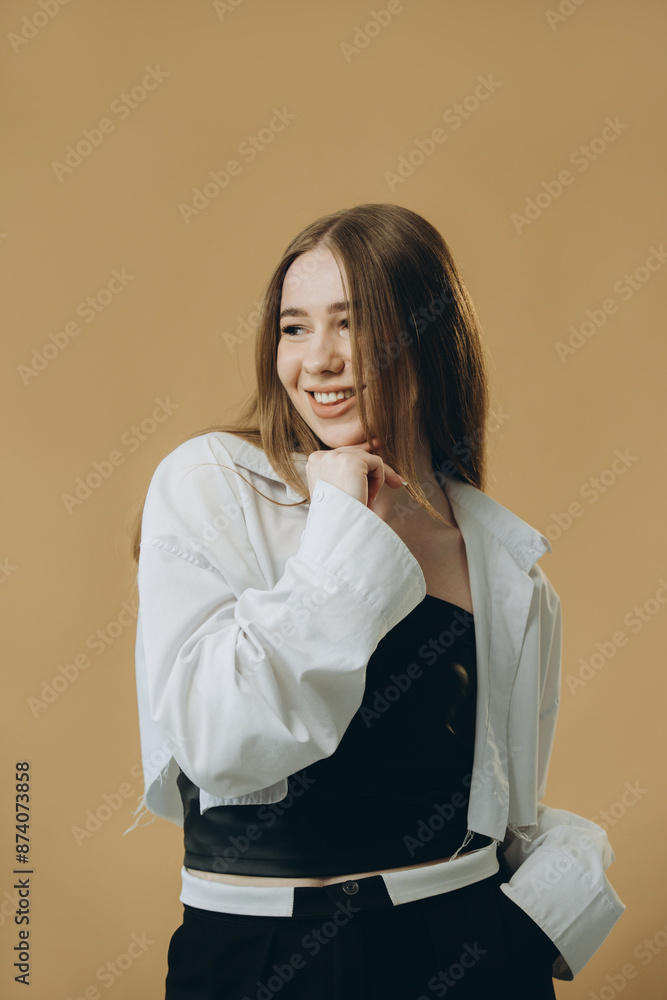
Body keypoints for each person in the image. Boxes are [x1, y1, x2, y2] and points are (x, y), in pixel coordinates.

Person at [129, 203, 625, 999]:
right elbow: (223, 740)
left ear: (427, 339)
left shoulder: (505, 563)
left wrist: (529, 934)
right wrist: (341, 526)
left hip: (463, 951)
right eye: (293, 329)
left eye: (350, 325)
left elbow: (503, 810)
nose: (318, 360)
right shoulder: (211, 483)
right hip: (253, 957)